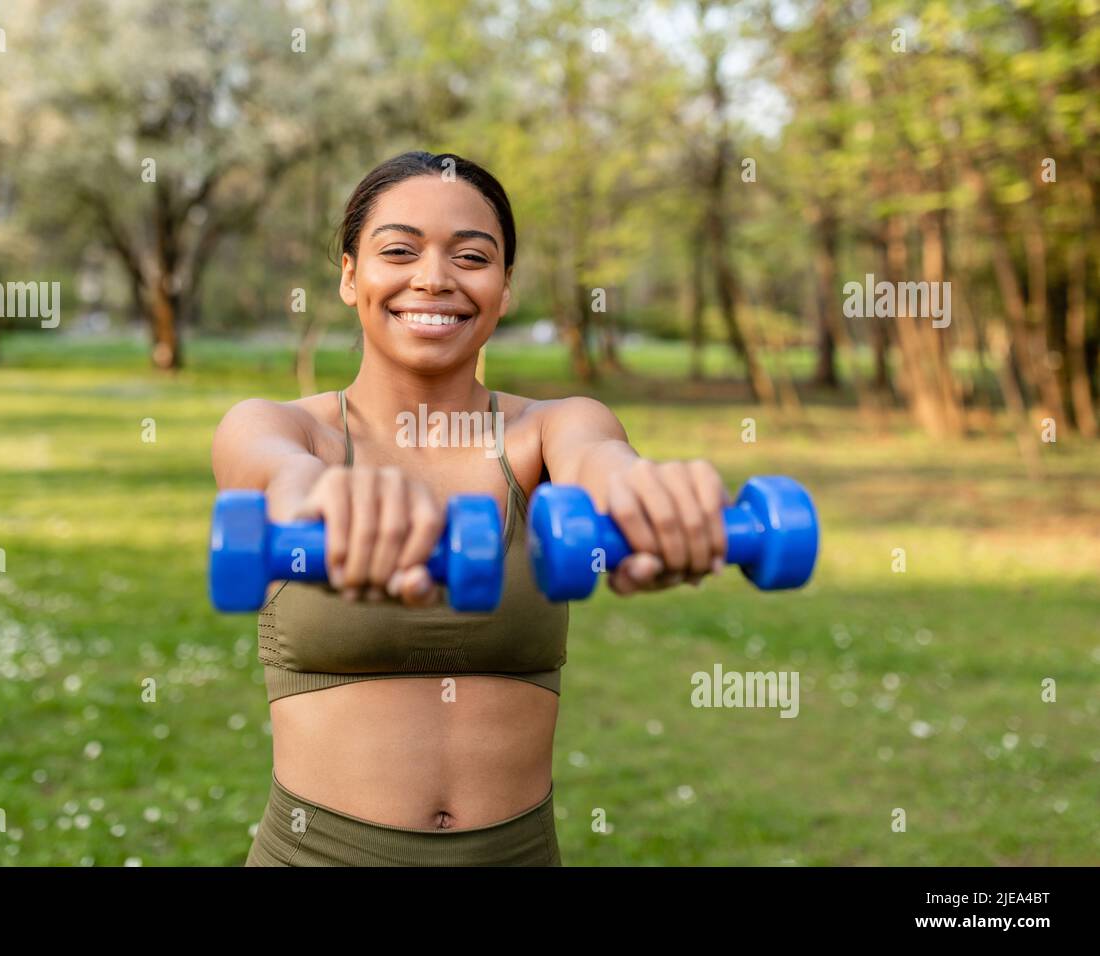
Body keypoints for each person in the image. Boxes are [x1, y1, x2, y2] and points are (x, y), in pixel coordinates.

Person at [213, 150, 730, 866]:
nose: (434, 278)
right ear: (348, 275)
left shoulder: (551, 428)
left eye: (472, 256)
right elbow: (274, 475)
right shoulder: (281, 427)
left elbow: (602, 462)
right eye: (398, 250)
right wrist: (325, 500)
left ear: (505, 286)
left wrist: (648, 495)